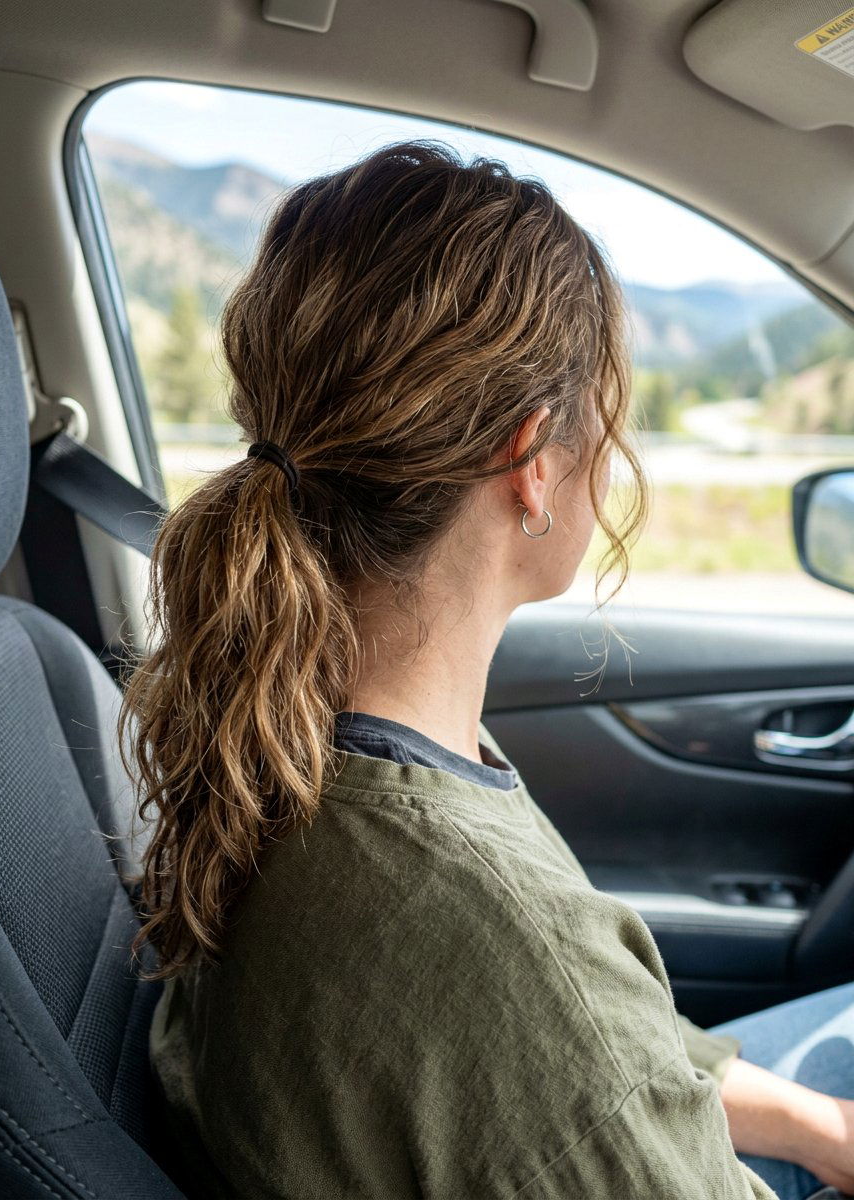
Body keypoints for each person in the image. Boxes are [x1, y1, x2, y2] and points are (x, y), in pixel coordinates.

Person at [121, 141, 854, 1199]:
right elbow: (568, 1047)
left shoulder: (308, 744)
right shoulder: (474, 921)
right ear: (532, 463)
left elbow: (600, 1062)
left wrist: (815, 1125)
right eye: (608, 412)